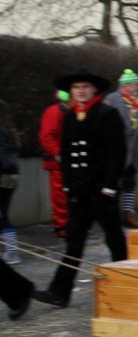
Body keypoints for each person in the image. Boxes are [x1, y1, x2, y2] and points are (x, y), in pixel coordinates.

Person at [35, 68, 128, 309]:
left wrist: (110, 186)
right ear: (71, 92)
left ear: (94, 89)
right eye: (76, 88)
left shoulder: (108, 114)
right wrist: (67, 184)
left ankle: (127, 285)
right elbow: (65, 154)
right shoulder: (69, 116)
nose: (81, 91)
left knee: (114, 238)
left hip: (101, 189)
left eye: (85, 87)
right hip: (78, 190)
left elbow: (117, 154)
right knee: (73, 240)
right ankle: (60, 292)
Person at [104, 69, 138, 228]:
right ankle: (111, 217)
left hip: (134, 152)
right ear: (127, 85)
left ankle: (128, 215)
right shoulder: (112, 100)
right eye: (136, 84)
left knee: (130, 184)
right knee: (114, 184)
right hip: (116, 151)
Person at [39, 90, 70, 237]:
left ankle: (66, 224)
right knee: (60, 195)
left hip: (67, 160)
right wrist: (58, 154)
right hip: (59, 163)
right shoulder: (54, 112)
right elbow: (46, 136)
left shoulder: (67, 111)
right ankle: (61, 225)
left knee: (66, 194)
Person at [0, 100, 20, 264]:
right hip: (11, 175)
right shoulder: (9, 128)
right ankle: (11, 250)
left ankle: (11, 251)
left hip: (2, 173)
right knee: (3, 213)